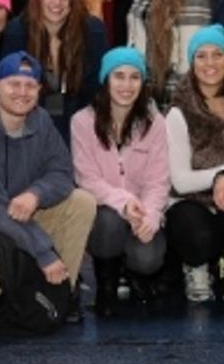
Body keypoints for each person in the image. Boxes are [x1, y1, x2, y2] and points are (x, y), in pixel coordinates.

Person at [0, 51, 97, 320]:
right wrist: (43, 252)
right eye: (13, 84)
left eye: (30, 85)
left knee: (82, 201)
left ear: (38, 89)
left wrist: (36, 194)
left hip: (24, 213)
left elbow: (61, 172)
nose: (22, 92)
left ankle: (59, 293)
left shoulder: (42, 122)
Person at [164, 26, 224, 315]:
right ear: (191, 63)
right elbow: (180, 181)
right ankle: (196, 267)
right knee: (191, 225)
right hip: (192, 202)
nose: (210, 63)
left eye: (217, 54)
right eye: (201, 56)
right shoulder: (178, 112)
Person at [71, 47, 170, 316]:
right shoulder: (82, 122)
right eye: (119, 76)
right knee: (108, 222)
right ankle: (107, 284)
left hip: (142, 211)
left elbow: (158, 179)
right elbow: (86, 178)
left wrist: (150, 215)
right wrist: (124, 203)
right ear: (106, 79)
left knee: (147, 258)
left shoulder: (155, 123)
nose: (127, 85)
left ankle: (135, 273)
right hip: (106, 212)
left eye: (134, 77)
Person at [1, 0, 107, 141]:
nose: (57, 2)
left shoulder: (93, 32)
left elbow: (98, 90)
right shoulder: (17, 32)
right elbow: (10, 88)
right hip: (29, 121)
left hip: (81, 122)